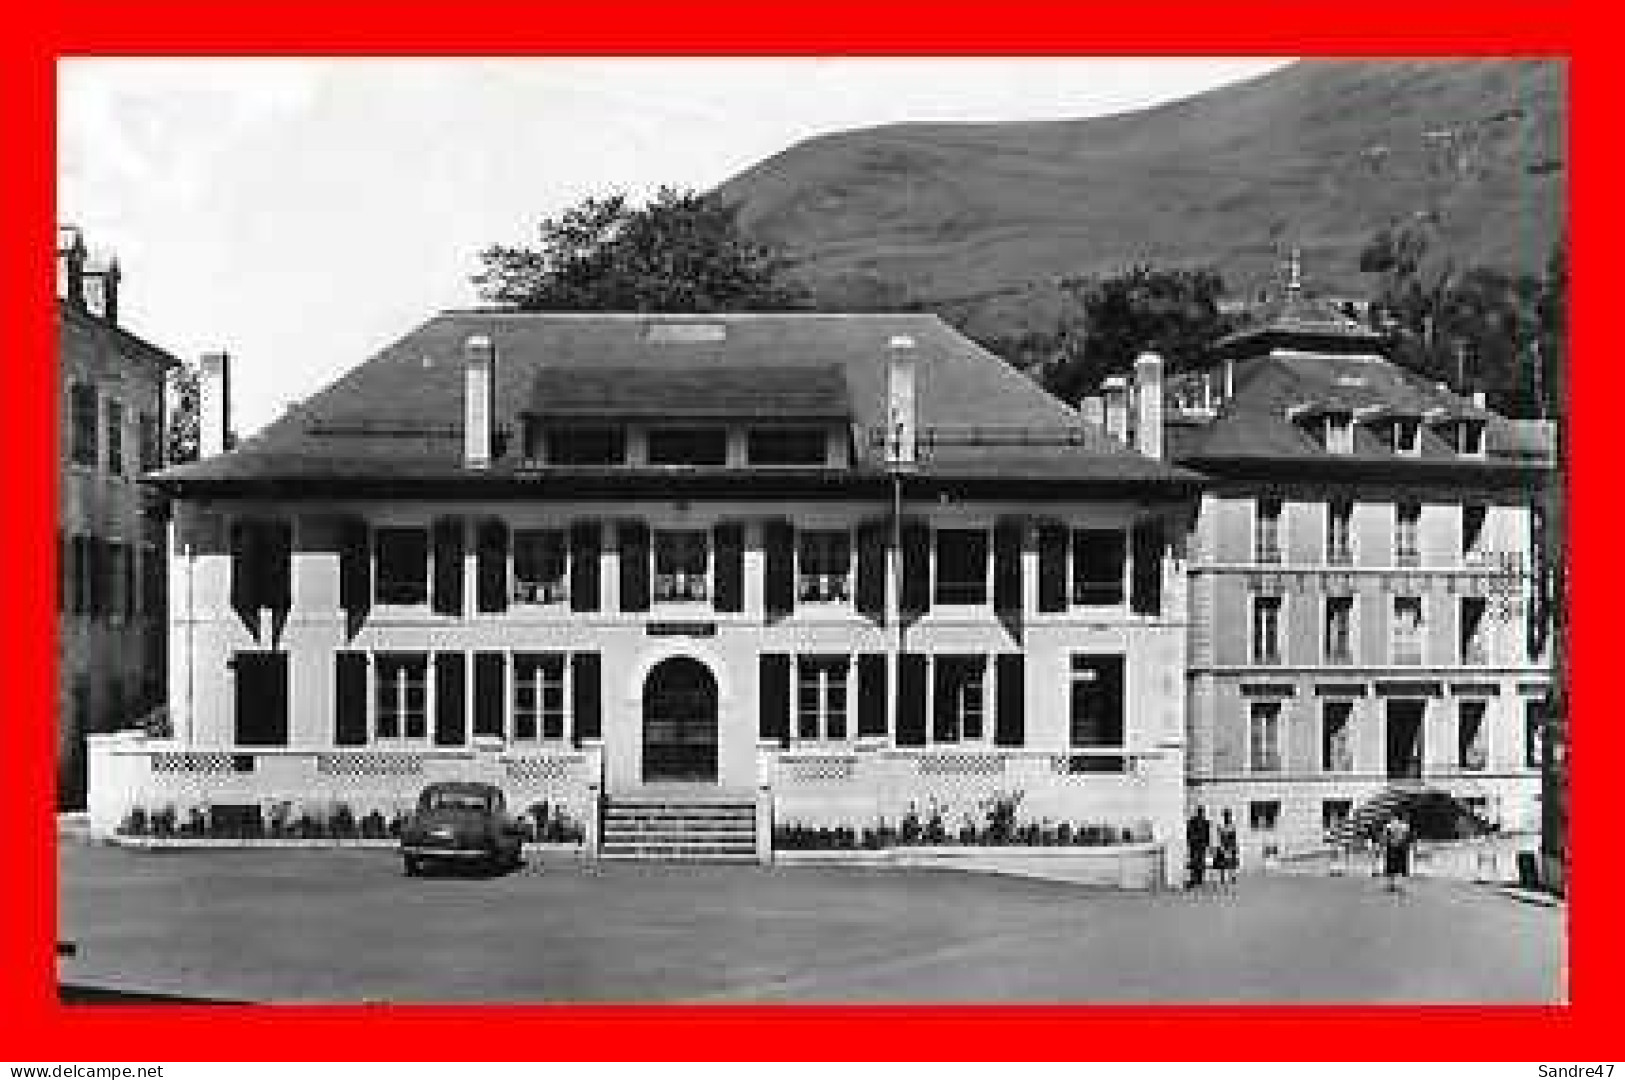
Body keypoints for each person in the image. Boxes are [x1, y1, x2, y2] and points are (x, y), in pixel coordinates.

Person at [1382, 813, 1414, 893]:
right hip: (1402, 847)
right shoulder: (1405, 826)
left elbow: (1385, 836)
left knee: (1391, 866)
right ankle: (1402, 885)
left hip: (1392, 846)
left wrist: (1385, 844)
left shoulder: (1389, 825)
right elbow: (1408, 837)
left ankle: (1391, 885)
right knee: (1402, 866)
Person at [1186, 805, 1212, 889]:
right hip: (1197, 845)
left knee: (1198, 861)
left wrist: (1206, 844)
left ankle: (1197, 879)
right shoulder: (1195, 821)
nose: (1201, 813)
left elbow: (1207, 834)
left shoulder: (1203, 822)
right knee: (1196, 861)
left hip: (1198, 845)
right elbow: (1189, 833)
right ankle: (1196, 879)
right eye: (1201, 811)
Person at [1214, 808, 1240, 887]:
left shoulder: (1231, 826)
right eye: (1226, 815)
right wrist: (1222, 846)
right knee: (1223, 863)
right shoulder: (1221, 826)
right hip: (1224, 845)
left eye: (1228, 815)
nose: (1227, 817)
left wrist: (1232, 847)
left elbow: (1233, 837)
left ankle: (1232, 876)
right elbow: (1220, 837)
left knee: (1231, 863)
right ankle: (1223, 877)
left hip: (1230, 846)